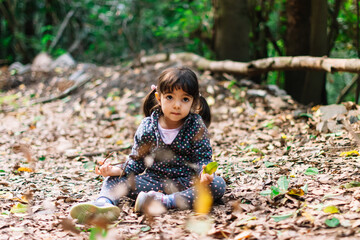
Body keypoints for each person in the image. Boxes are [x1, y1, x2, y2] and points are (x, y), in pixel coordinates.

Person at [69, 66, 226, 224]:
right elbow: (136, 162)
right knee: (113, 179)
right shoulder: (148, 127)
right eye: (170, 97)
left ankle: (165, 201)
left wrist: (204, 173)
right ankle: (103, 204)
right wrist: (114, 170)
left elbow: (203, 157)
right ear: (159, 97)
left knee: (218, 184)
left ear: (193, 101)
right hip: (153, 182)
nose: (177, 105)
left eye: (184, 99)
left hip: (186, 183)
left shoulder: (195, 125)